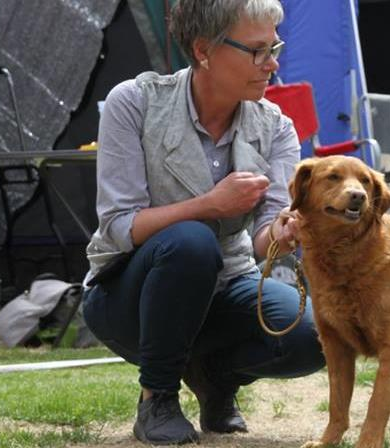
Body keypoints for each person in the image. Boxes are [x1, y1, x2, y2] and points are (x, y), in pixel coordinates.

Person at [81, 0, 324, 444]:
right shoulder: (134, 102)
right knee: (190, 242)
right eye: (257, 51)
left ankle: (214, 378)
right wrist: (209, 204)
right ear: (203, 49)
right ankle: (157, 397)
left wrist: (285, 233)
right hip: (127, 297)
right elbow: (119, 226)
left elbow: (260, 239)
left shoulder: (277, 128)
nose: (272, 64)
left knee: (312, 336)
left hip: (226, 284)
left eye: (275, 47)